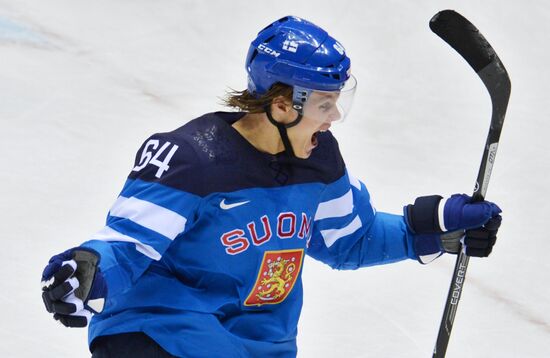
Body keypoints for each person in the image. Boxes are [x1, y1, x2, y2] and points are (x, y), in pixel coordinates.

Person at [41, 16, 502, 358]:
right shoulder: (191, 159)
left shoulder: (319, 160)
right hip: (162, 335)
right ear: (282, 105)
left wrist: (435, 228)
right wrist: (87, 272)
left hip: (258, 344)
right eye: (325, 104)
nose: (335, 116)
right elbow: (128, 245)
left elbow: (350, 240)